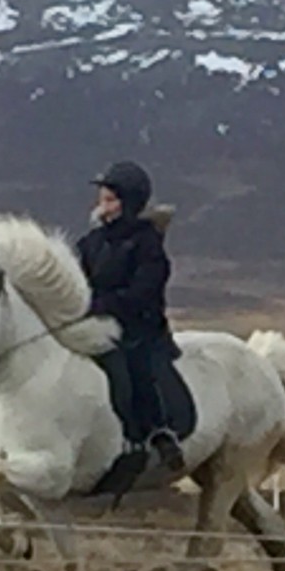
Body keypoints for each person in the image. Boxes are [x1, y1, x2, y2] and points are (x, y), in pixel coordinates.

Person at [76, 160, 185, 472]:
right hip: (95, 323)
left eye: (110, 200)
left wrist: (103, 304)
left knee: (134, 364)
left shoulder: (147, 244)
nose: (102, 206)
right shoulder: (90, 243)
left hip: (139, 328)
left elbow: (144, 293)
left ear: (129, 204)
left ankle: (156, 431)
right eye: (102, 199)